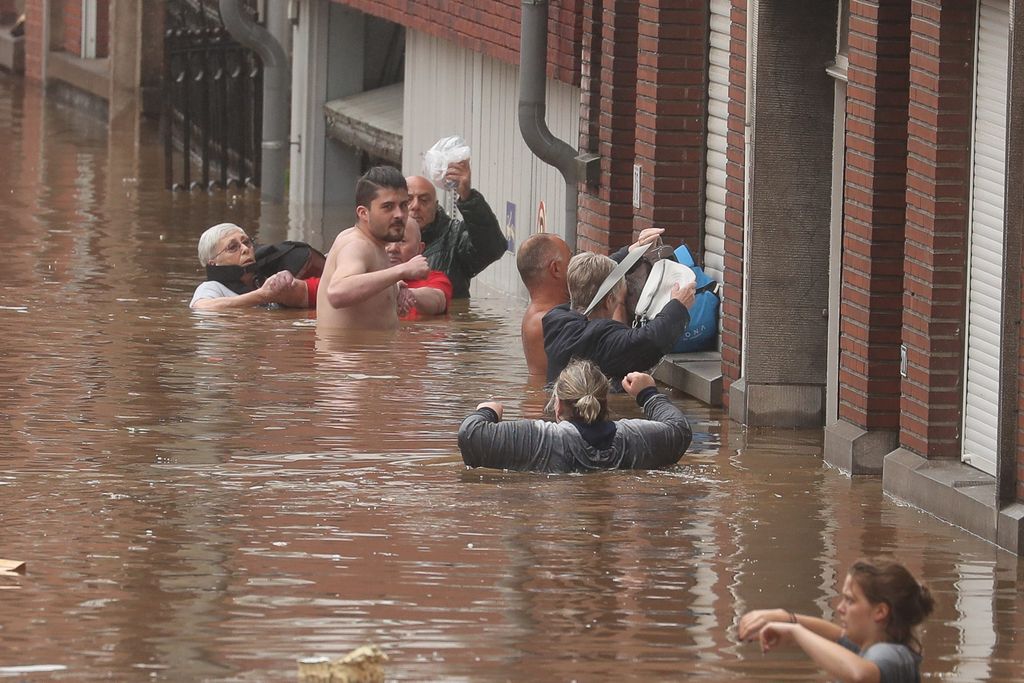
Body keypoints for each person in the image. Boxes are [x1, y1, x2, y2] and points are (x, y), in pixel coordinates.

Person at [458, 359, 692, 473]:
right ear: (605, 404)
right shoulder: (637, 437)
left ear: (558, 406)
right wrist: (648, 395)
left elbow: (470, 435)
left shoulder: (541, 440)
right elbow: (679, 429)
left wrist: (488, 410)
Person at [738, 558, 935, 683]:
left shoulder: (891, 654)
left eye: (850, 600)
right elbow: (837, 636)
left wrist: (795, 632)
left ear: (880, 611)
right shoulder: (873, 647)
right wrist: (788, 619)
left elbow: (860, 675)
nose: (840, 608)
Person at [542, 250, 696, 385]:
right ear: (609, 300)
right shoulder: (601, 340)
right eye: (620, 296)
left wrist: (629, 253)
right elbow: (650, 340)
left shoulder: (555, 320)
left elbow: (588, 278)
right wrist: (677, 306)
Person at [316, 166, 430, 331]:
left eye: (403, 205)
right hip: (350, 357)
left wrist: (395, 288)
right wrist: (402, 270)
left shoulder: (375, 244)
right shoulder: (356, 245)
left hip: (374, 355)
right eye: (388, 207)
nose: (399, 214)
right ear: (363, 213)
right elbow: (337, 292)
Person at [406, 159, 505, 299]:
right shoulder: (381, 238)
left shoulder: (455, 237)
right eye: (408, 199)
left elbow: (492, 248)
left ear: (435, 206)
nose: (415, 206)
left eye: (423, 200)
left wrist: (467, 196)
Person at [189, 222, 313, 311]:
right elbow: (200, 308)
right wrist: (262, 295)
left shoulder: (264, 281)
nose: (245, 249)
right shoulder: (212, 287)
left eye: (246, 242)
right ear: (213, 263)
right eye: (233, 247)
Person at [516, 233, 571, 377]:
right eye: (571, 260)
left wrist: (628, 252)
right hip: (547, 399)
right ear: (556, 269)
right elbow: (610, 350)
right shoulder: (547, 321)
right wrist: (618, 302)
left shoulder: (539, 314)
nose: (576, 266)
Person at [386, 216, 453, 320]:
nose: (393, 248)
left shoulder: (434, 278)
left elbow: (438, 300)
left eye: (402, 241)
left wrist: (406, 293)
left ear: (420, 248)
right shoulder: (365, 277)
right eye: (387, 240)